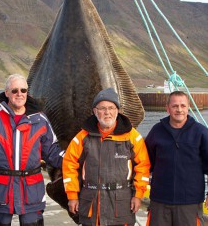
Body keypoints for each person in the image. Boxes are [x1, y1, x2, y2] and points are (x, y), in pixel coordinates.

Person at [0, 74, 64, 226]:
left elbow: (52, 151)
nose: (19, 94)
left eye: (23, 90)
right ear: (6, 92)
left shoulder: (40, 119)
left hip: (31, 191)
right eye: (14, 90)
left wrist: (77, 162)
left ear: (27, 92)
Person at [62, 87, 151, 226]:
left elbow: (143, 167)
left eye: (111, 108)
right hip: (91, 202)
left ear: (117, 110)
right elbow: (69, 166)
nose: (107, 112)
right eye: (102, 108)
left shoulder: (133, 137)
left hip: (121, 203)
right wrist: (72, 196)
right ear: (95, 111)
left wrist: (138, 195)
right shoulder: (82, 137)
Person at [145, 91, 208, 226]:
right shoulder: (156, 131)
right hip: (160, 201)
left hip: (190, 203)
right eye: (175, 106)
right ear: (167, 108)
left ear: (188, 107)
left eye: (183, 106)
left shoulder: (201, 132)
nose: (179, 109)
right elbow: (145, 163)